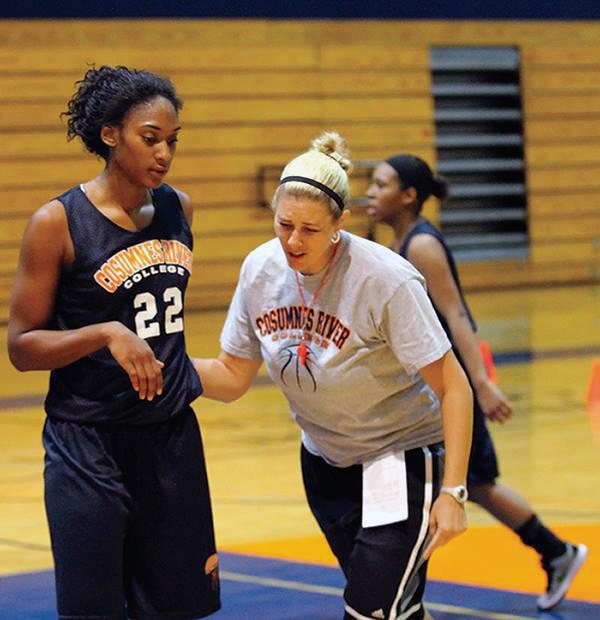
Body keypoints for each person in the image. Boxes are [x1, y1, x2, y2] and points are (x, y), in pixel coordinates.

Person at [193, 132, 473, 620]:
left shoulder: (385, 279)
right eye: (284, 225)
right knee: (397, 610)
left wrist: (453, 492)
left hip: (399, 459)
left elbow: (454, 386)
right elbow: (232, 375)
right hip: (324, 462)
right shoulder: (260, 270)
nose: (294, 242)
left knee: (369, 610)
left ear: (341, 223)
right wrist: (160, 364)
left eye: (310, 229)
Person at [7, 66, 220, 619]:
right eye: (150, 138)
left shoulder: (179, 209)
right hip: (89, 444)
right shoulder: (57, 222)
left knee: (175, 609)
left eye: (172, 141)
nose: (164, 153)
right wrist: (104, 331)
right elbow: (22, 347)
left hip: (170, 440)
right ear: (109, 135)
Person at [366, 154, 588, 612]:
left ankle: (556, 552)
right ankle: (555, 552)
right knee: (474, 483)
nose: (370, 191)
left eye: (382, 184)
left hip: (452, 387)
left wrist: (482, 384)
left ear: (408, 196)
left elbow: (457, 316)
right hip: (428, 387)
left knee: (474, 483)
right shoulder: (398, 241)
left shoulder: (423, 247)